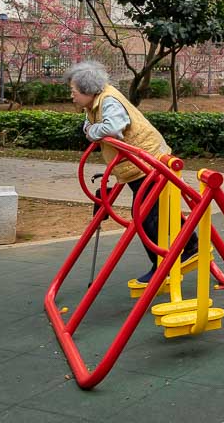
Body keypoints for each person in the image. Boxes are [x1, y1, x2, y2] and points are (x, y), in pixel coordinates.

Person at [66, 60, 197, 284]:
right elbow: (90, 126)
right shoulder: (95, 103)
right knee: (158, 210)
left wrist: (92, 131)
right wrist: (91, 130)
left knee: (145, 215)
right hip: (135, 165)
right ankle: (191, 246)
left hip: (148, 163)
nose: (72, 96)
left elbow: (112, 129)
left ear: (88, 91)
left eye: (74, 91)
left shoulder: (108, 101)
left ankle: (164, 263)